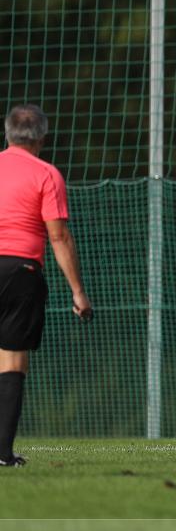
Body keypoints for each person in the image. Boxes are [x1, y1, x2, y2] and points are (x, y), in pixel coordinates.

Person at [0, 104, 92, 467]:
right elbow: (59, 237)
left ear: (7, 133)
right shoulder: (47, 174)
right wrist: (78, 292)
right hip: (21, 271)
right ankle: (3, 453)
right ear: (41, 137)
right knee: (12, 360)